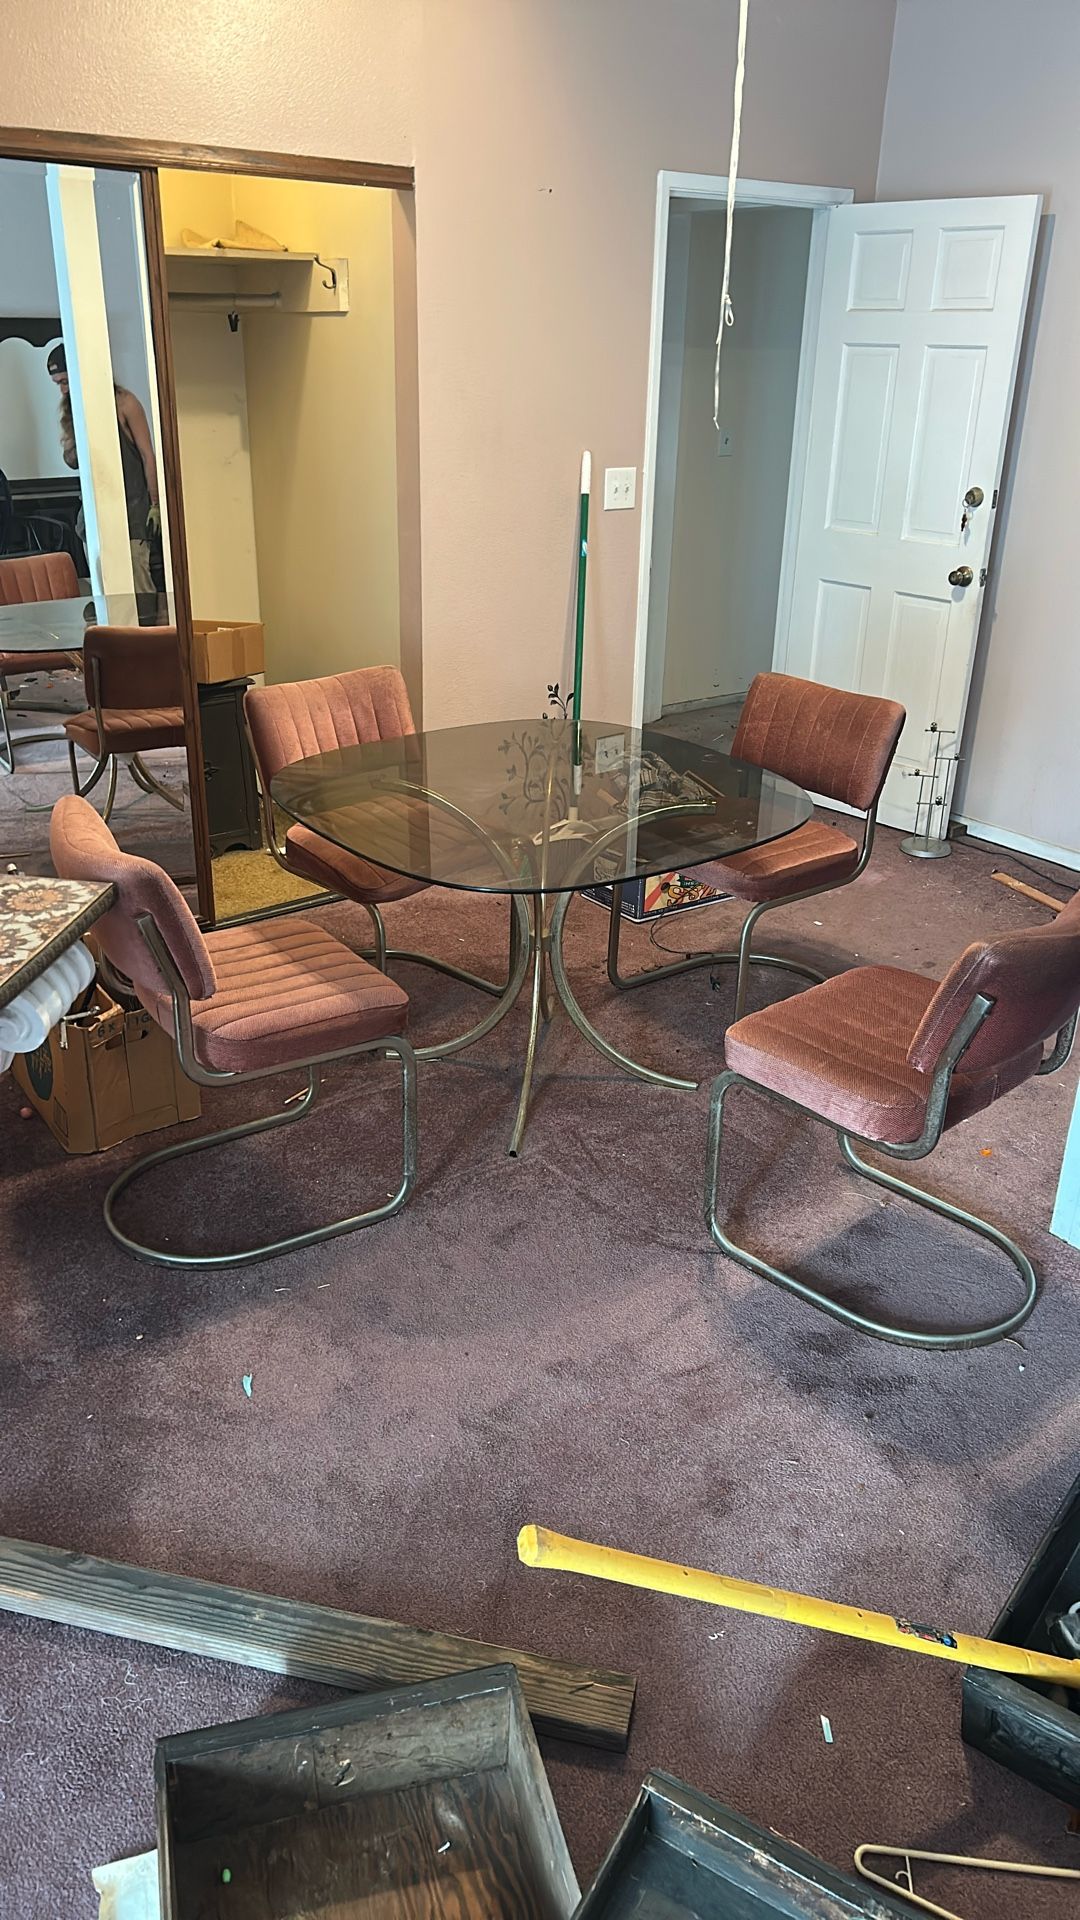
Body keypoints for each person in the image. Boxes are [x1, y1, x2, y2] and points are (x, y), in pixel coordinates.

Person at [46, 343, 160, 593]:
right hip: (94, 517)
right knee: (105, 590)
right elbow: (72, 461)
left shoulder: (125, 403)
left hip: (132, 512)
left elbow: (147, 456)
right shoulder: (73, 411)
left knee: (139, 587)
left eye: (66, 381)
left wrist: (155, 504)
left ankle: (151, 632)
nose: (63, 390)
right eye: (59, 384)